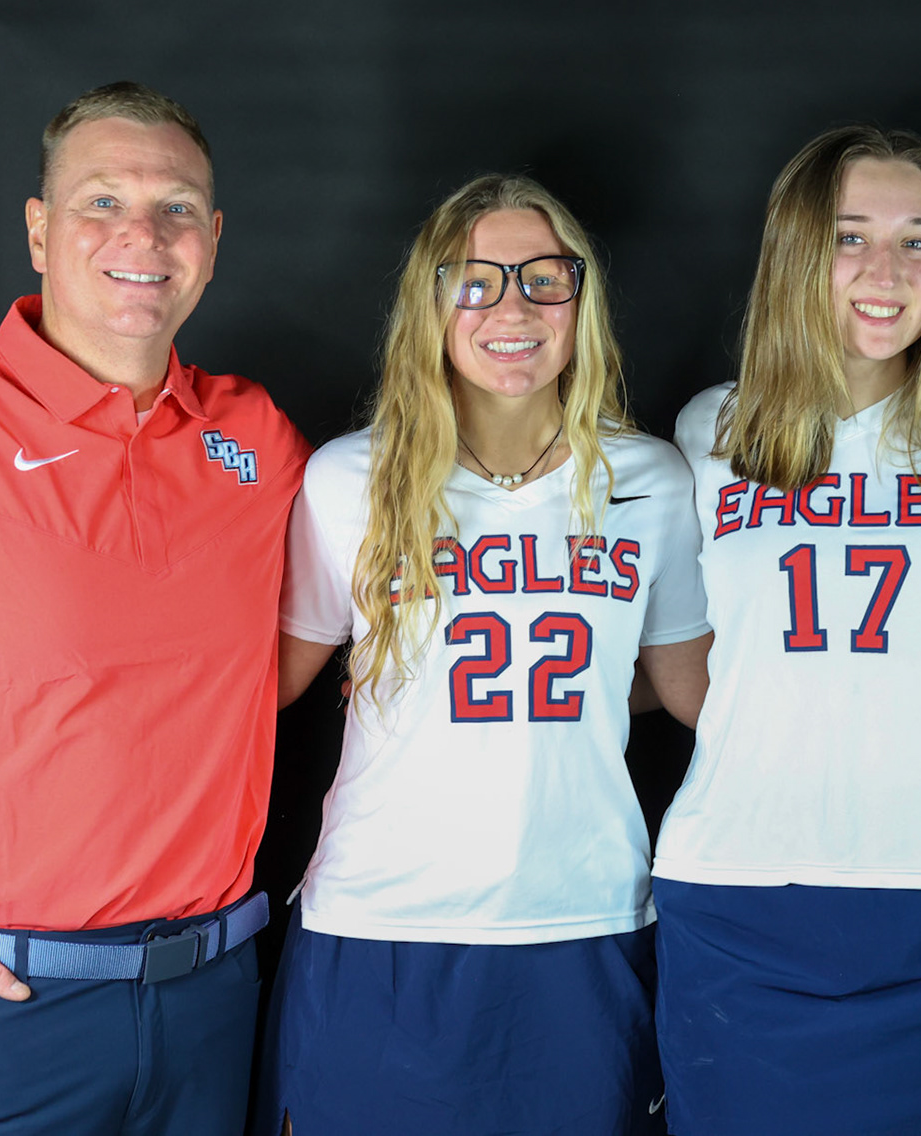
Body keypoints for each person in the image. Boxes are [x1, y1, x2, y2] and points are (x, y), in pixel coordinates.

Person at [0, 82, 308, 1133]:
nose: (141, 235)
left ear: (213, 240)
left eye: (176, 207)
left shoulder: (258, 440)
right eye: (101, 201)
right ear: (37, 230)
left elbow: (281, 662)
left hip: (211, 996)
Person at [262, 174, 712, 1135]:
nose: (513, 308)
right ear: (430, 303)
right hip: (381, 919)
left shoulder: (650, 481)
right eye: (475, 281)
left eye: (544, 278)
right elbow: (264, 684)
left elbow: (685, 686)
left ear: (581, 300)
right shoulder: (350, 478)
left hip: (582, 912)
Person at [653, 124, 921, 1136]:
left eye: (918, 241)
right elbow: (682, 656)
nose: (888, 270)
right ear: (795, 252)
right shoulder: (711, 428)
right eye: (850, 237)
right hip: (740, 887)